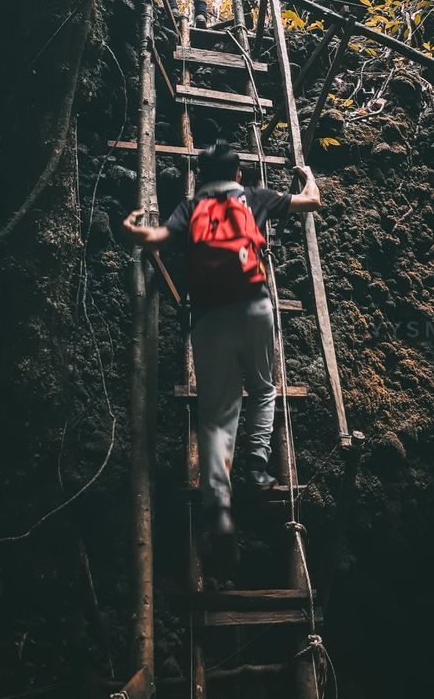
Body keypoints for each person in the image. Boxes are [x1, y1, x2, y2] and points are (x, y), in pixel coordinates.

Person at [122, 141, 321, 540]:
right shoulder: (253, 198)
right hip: (254, 307)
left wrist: (132, 227)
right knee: (264, 389)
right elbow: (312, 202)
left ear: (199, 177)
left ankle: (219, 504)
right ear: (239, 175)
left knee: (217, 413)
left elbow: (155, 238)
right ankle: (255, 467)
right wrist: (308, 177)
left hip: (209, 316)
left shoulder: (192, 208)